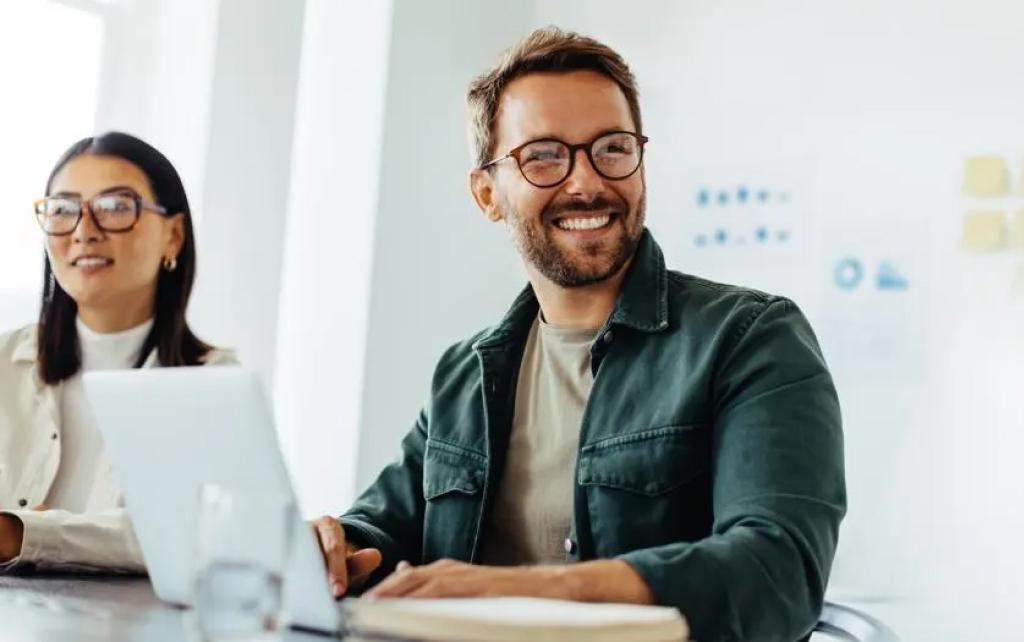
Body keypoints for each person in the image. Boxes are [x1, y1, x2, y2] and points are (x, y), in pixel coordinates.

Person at [312, 28, 845, 642]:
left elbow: (777, 573)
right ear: (487, 194)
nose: (586, 182)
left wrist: (527, 588)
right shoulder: (465, 373)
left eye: (612, 149)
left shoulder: (751, 338)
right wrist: (330, 545)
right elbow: (382, 530)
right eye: (543, 156)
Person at [0, 132, 235, 572]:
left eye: (114, 208)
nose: (84, 231)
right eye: (63, 210)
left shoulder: (214, 384)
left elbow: (187, 533)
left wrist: (20, 533)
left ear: (174, 235)